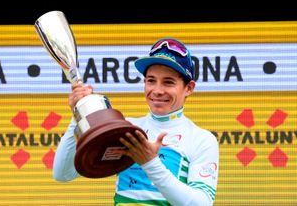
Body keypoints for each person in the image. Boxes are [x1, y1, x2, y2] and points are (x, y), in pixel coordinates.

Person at [53, 38, 219, 205]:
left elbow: (202, 203)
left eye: (168, 82)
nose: (157, 90)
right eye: (151, 80)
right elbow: (62, 173)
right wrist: (79, 112)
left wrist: (150, 163)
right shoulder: (125, 129)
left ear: (189, 88)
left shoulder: (201, 139)